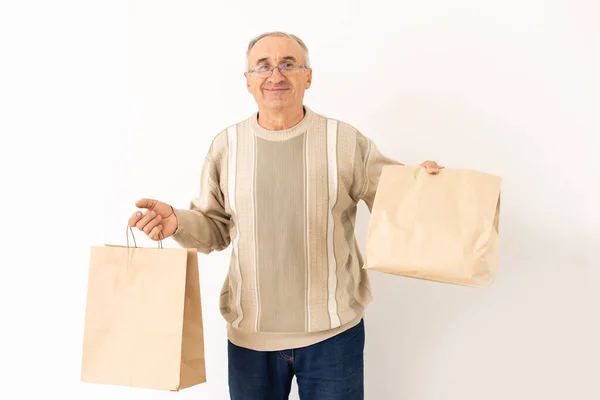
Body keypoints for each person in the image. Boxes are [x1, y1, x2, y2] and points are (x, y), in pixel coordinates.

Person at [128, 31, 443, 400]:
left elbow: (395, 198)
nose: (275, 75)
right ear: (248, 81)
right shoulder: (226, 146)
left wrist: (425, 184)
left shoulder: (344, 141)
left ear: (308, 77)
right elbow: (214, 229)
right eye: (263, 66)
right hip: (251, 337)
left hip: (333, 336)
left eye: (288, 64)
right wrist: (177, 222)